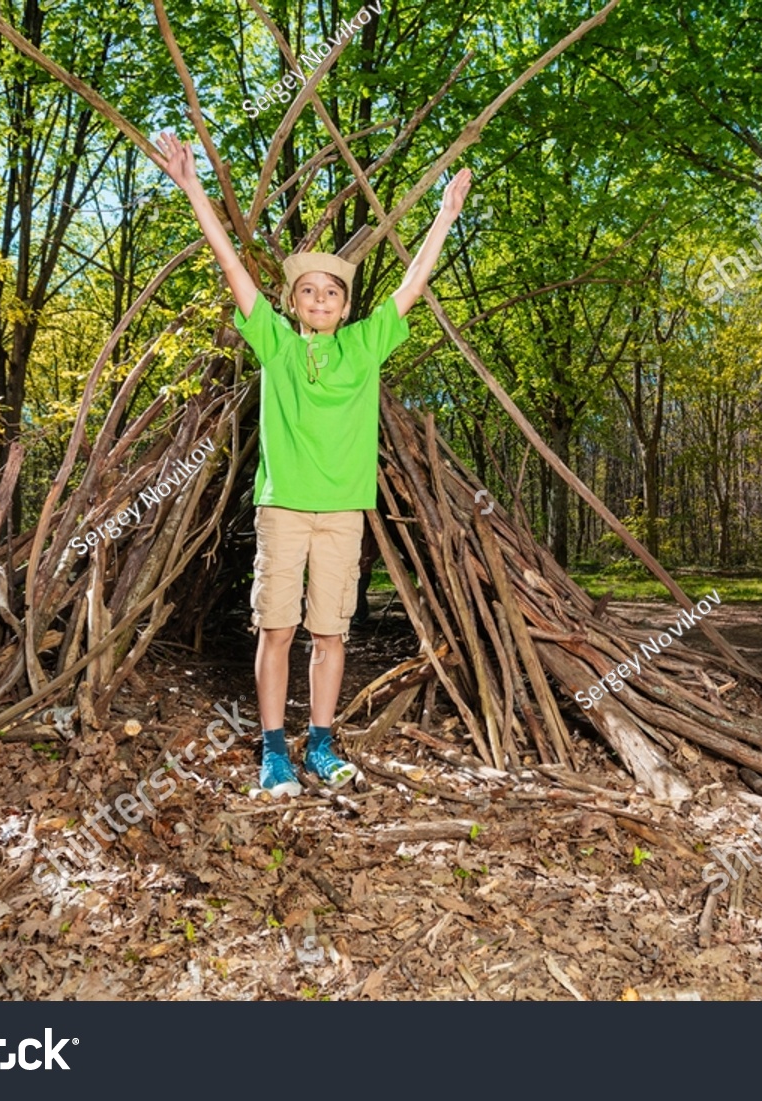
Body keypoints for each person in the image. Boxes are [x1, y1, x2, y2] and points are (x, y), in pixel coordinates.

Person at [157, 130, 471, 798]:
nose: (321, 301)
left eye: (332, 293)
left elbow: (413, 285)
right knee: (279, 626)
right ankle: (274, 750)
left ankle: (322, 744)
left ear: (346, 305)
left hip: (342, 514)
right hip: (283, 509)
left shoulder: (364, 347)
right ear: (294, 303)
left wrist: (443, 217)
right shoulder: (274, 343)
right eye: (309, 293)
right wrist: (192, 188)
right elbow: (234, 270)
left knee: (331, 631)